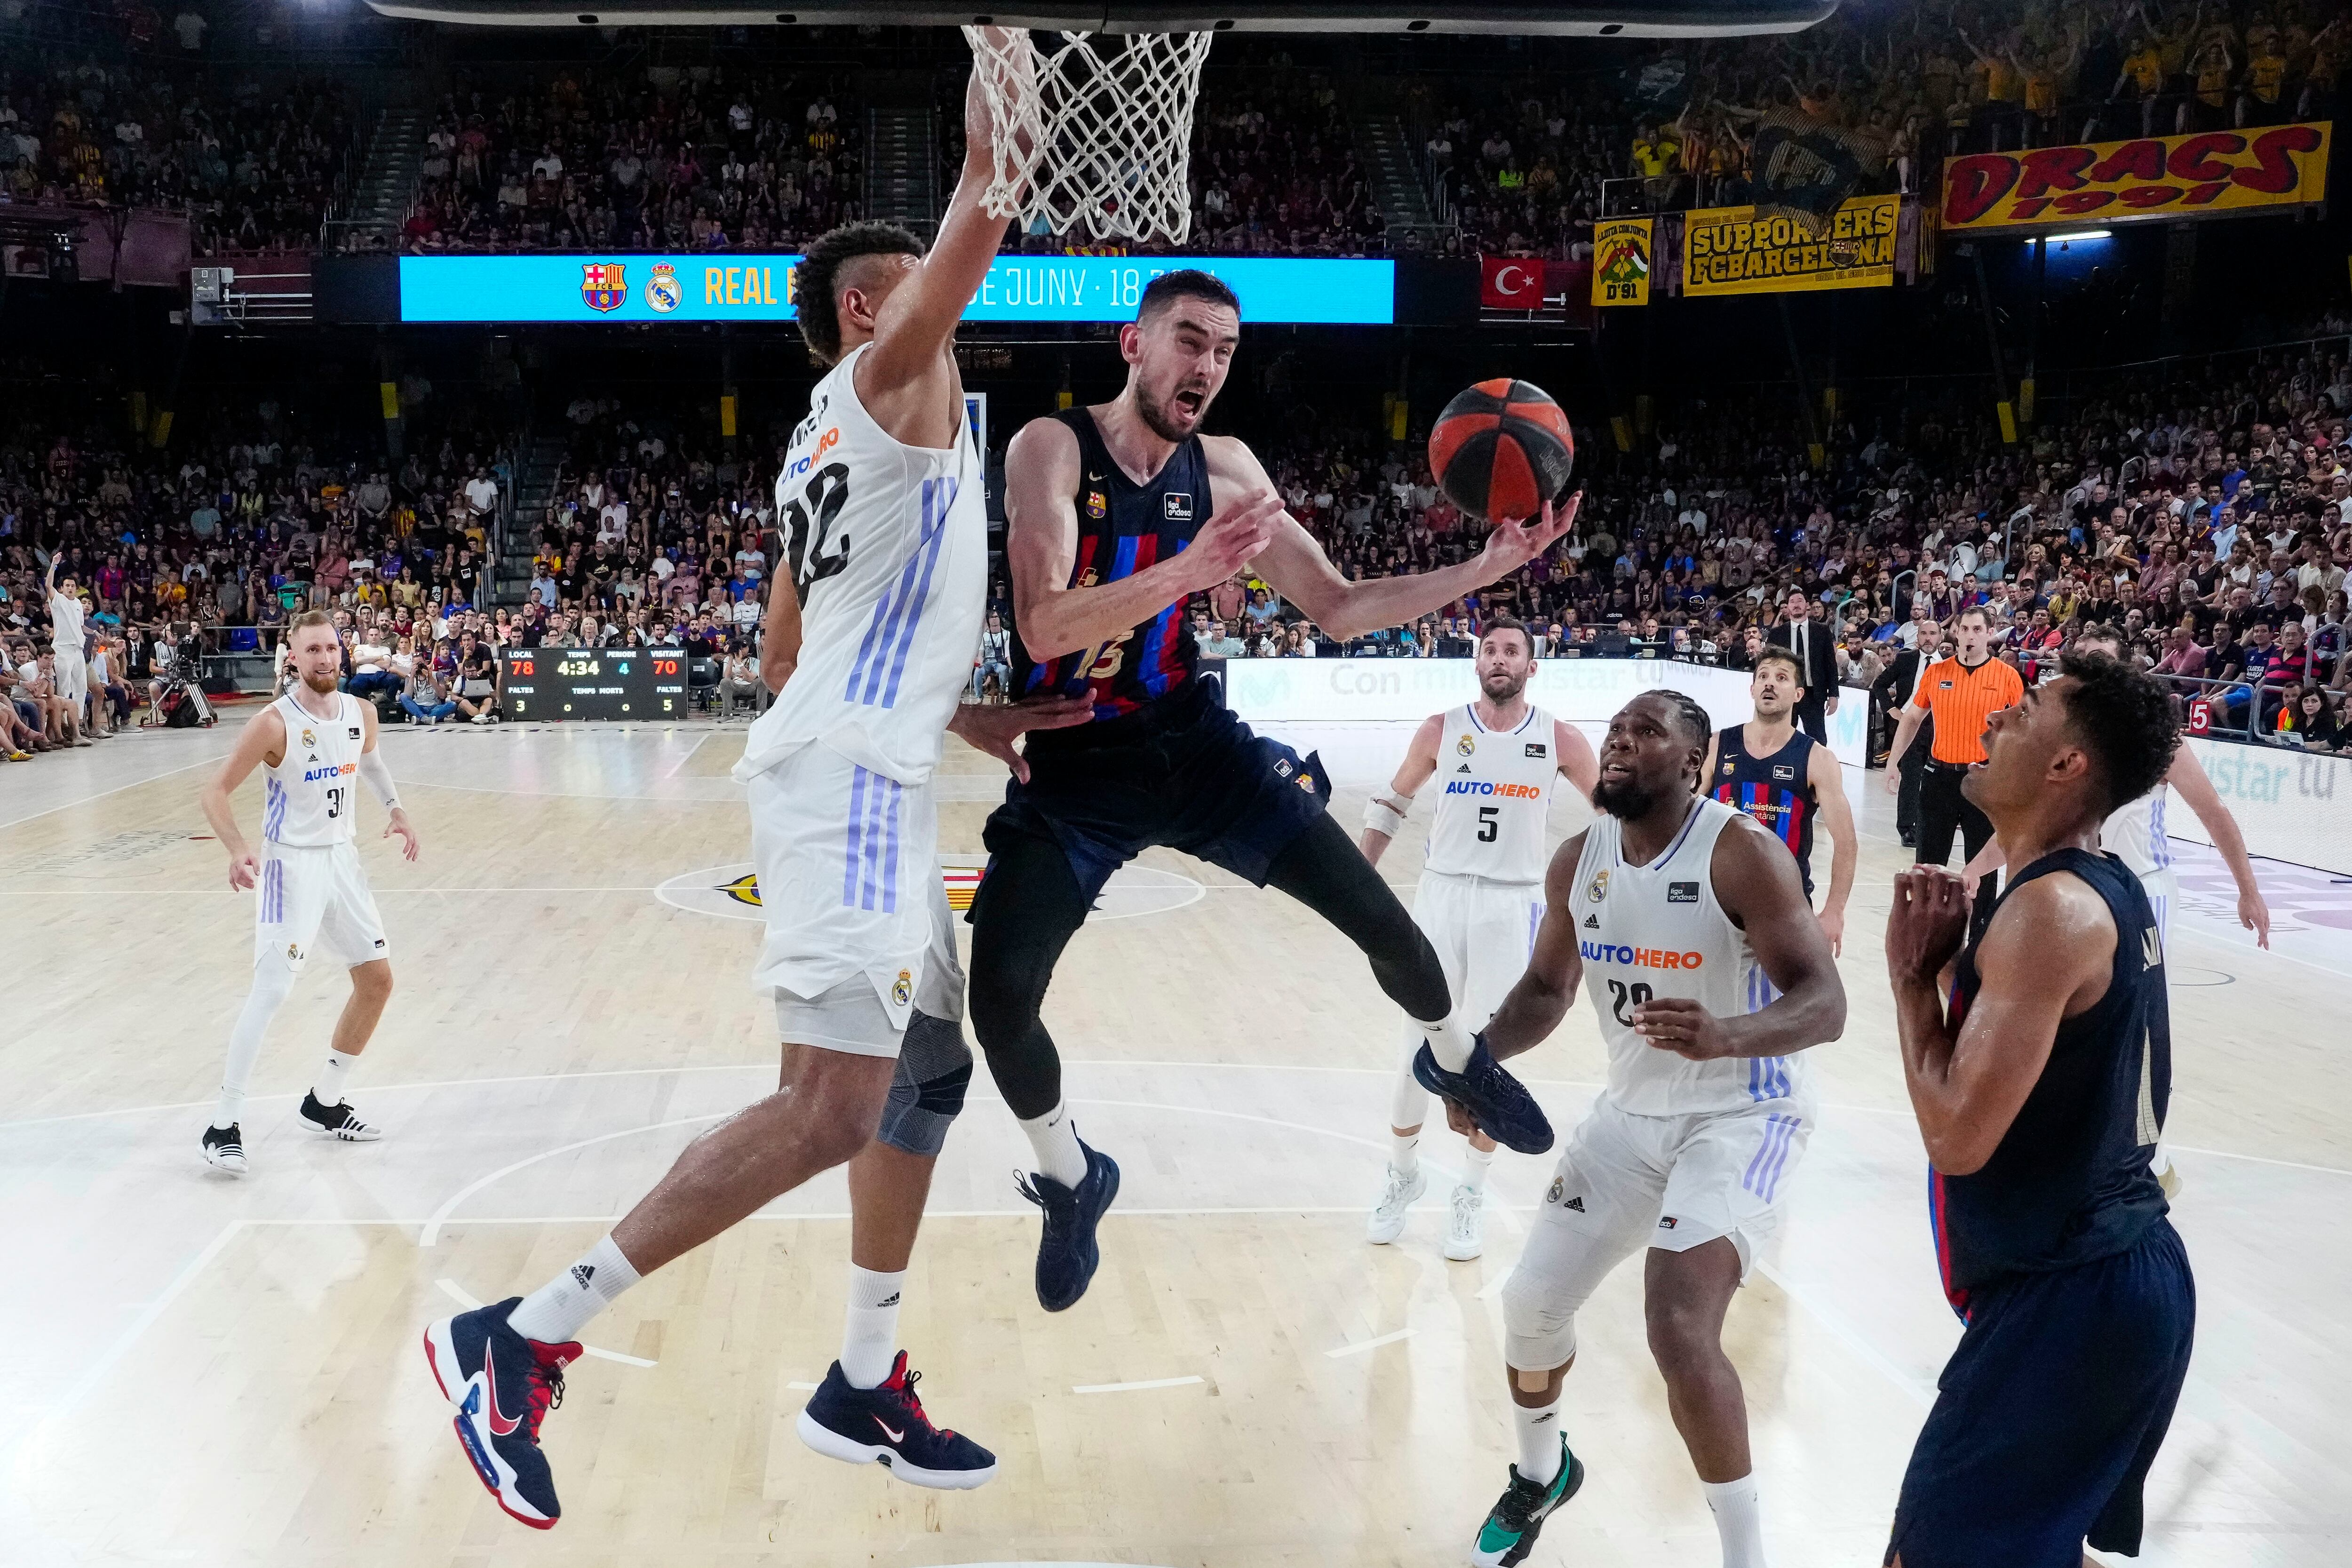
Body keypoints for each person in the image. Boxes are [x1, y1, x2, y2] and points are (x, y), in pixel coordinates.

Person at [421, 34, 1088, 1528]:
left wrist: (952, 714)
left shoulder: (816, 446)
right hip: (850, 781)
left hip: (864, 759)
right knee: (829, 1104)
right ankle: (521, 1337)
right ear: (869, 306)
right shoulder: (890, 370)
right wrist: (1008, 110)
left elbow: (790, 650)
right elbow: (982, 199)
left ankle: (861, 1377)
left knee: (923, 1069)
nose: (940, 297)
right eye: (912, 278)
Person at [977, 270, 1575, 1314]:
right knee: (1000, 1001)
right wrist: (1190, 567)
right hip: (1076, 764)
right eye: (1189, 340)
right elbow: (1043, 625)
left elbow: (1339, 608)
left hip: (1195, 746)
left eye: (1224, 350)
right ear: (1135, 343)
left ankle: (1453, 1059)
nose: (1206, 365)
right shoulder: (1051, 447)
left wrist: (1481, 572)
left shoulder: (1228, 467)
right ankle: (1073, 1178)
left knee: (1385, 927)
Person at [1447, 691, 1846, 1568]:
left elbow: (1827, 1003)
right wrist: (1477, 1061)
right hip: (1631, 1119)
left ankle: (1746, 1555)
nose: (1622, 742)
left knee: (1677, 1321)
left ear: (1692, 760)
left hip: (1746, 1114)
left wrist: (1727, 1034)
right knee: (1529, 1304)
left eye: (1647, 732)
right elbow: (1548, 992)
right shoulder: (1577, 859)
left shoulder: (1741, 852)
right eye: (1617, 730)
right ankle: (1542, 1472)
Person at [1881, 653, 2193, 1568]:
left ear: (2067, 767)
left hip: (2076, 1293)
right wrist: (1952, 970)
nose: (1991, 722)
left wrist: (1909, 984)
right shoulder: (2097, 883)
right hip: (2120, 1274)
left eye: (2023, 715)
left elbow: (1956, 1136)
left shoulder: (2048, 912)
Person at [1960, 621, 2271, 1192]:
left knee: (2135, 1025)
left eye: (2102, 662)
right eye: (2081, 663)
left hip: (2142, 887)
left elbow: (2214, 814)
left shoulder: (2154, 745)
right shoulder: (2061, 746)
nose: (2089, 674)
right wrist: (1969, 873)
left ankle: (2147, 1153)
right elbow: (2016, 827)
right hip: (2079, 879)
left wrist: (2246, 889)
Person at [1359, 617, 1598, 1260]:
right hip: (1440, 896)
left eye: (1512, 650)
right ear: (1476, 662)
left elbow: (1613, 821)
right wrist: (1358, 878)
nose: (1500, 659)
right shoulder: (1443, 728)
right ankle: (1402, 1173)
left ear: (1532, 665)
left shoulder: (1560, 739)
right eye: (1490, 649)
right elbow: (1391, 802)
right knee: (1417, 1045)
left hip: (1510, 902)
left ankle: (1469, 1191)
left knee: (1487, 1058)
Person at [197, 612, 421, 1175]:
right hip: (288, 866)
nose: (324, 658)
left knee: (377, 980)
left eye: (331, 648)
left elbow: (369, 765)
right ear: (292, 656)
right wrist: (236, 847)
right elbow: (216, 792)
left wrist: (395, 811)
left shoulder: (360, 712)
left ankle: (324, 1101)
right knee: (272, 991)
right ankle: (221, 1124)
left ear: (342, 652)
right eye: (312, 650)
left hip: (342, 860)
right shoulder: (274, 723)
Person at [1701, 646, 1858, 956]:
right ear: (1753, 689)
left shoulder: (1818, 758)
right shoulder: (1717, 745)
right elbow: (1680, 819)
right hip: (1715, 903)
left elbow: (1847, 842)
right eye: (1763, 676)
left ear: (1799, 694)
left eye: (1782, 678)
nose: (1770, 683)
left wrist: (1834, 911)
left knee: (1781, 1004)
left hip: (1787, 908)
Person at [1883, 605, 2021, 943]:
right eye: (1965, 629)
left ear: (1990, 633)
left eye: (1978, 629)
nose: (1970, 635)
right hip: (1939, 778)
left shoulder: (2007, 677)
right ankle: (1925, 941)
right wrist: (1893, 762)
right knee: (1929, 865)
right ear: (1955, 632)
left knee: (1984, 871)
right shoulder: (1937, 672)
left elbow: (2022, 730)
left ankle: (1979, 948)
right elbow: (1913, 718)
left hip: (1984, 781)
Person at [1766, 587, 1839, 744]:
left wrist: (1834, 694)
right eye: (1792, 602)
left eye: (1800, 601)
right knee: (1782, 737)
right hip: (1785, 693)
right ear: (1788, 607)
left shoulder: (1822, 631)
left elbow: (1830, 664)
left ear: (1807, 605)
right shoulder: (1777, 634)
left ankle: (1817, 768)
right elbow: (1769, 665)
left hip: (1813, 693)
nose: (1796, 604)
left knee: (1818, 739)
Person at [47, 557, 90, 737]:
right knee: (63, 688)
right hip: (63, 648)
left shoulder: (79, 604)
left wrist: (95, 634)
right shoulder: (58, 601)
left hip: (78, 648)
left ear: (77, 588)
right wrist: (53, 565)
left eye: (73, 585)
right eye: (67, 585)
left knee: (81, 686)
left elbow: (80, 626)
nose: (70, 588)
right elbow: (48, 585)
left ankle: (77, 721)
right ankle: (63, 723)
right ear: (62, 588)